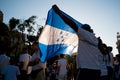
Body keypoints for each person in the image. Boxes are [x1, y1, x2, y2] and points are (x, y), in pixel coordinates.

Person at [52, 5, 101, 80]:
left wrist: (59, 13)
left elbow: (72, 24)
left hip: (87, 71)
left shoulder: (85, 34)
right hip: (97, 71)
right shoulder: (95, 39)